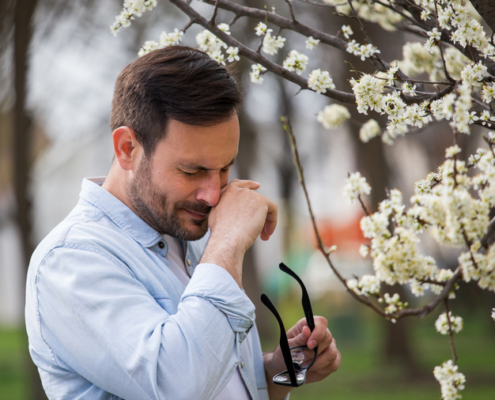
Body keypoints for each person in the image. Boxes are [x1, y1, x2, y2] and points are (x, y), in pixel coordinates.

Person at [25, 46, 341, 400]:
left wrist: (274, 370)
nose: (212, 193)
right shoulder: (71, 260)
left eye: (224, 168)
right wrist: (228, 243)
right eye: (192, 170)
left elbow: (214, 380)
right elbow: (178, 385)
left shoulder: (192, 236)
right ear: (127, 148)